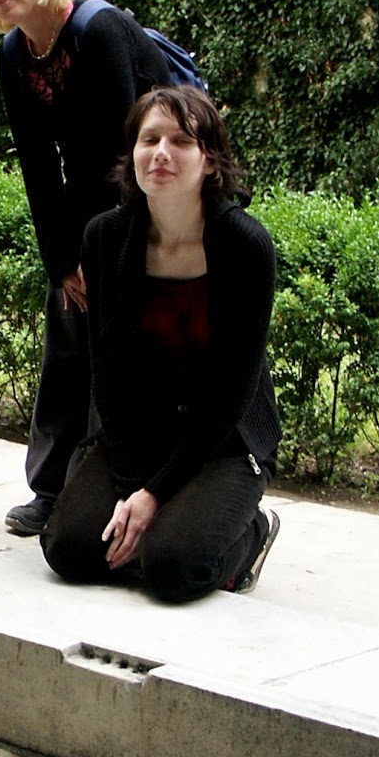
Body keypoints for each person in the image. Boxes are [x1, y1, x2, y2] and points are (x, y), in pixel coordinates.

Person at [0, 0, 171, 537]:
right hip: (85, 201)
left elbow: (126, 156)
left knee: (116, 352)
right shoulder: (13, 56)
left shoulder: (98, 30)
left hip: (149, 199)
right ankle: (51, 489)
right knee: (67, 333)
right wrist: (62, 260)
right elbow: (38, 167)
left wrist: (102, 256)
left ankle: (102, 489)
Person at [40, 86, 281, 603]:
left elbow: (232, 397)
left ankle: (253, 532)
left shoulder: (246, 246)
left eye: (181, 141)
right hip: (138, 432)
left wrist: (153, 495)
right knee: (69, 549)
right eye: (149, 140)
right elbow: (105, 373)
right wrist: (132, 485)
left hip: (221, 442)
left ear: (209, 159)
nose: (161, 153)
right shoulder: (104, 238)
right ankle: (166, 517)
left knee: (173, 568)